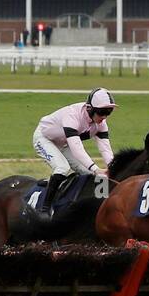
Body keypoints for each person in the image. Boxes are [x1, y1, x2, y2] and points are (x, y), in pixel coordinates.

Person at [32, 88, 116, 218]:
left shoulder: (101, 124)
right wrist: (95, 168)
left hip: (64, 142)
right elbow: (77, 148)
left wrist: (112, 167)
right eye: (102, 112)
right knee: (62, 167)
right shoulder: (73, 116)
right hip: (45, 139)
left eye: (108, 112)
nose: (104, 117)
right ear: (90, 108)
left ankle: (101, 208)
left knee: (95, 176)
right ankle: (44, 209)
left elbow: (105, 149)